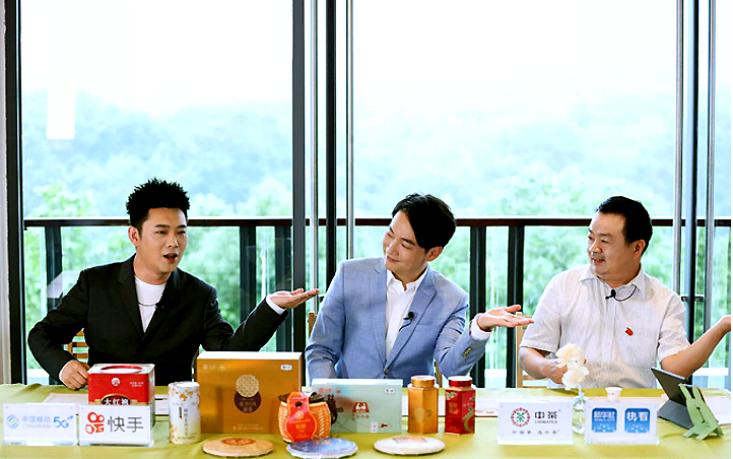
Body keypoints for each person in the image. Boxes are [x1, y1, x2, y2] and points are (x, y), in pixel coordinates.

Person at [28, 178, 318, 389]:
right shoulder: (95, 283)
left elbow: (227, 352)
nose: (174, 243)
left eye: (181, 232)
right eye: (162, 232)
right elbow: (42, 334)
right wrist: (63, 366)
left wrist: (271, 307)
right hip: (108, 405)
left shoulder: (199, 295)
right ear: (134, 235)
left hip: (173, 412)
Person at [306, 193, 532, 386]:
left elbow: (452, 368)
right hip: (349, 406)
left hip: (415, 410)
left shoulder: (451, 299)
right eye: (390, 234)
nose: (391, 248)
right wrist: (330, 399)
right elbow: (321, 351)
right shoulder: (350, 275)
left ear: (432, 253)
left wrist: (479, 327)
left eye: (405, 244)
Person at [520, 196, 731, 388]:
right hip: (572, 406)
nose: (594, 248)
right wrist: (547, 367)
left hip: (634, 411)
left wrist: (722, 326)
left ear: (637, 247)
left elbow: (675, 368)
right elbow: (528, 353)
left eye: (604, 241)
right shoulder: (563, 285)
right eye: (591, 238)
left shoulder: (664, 301)